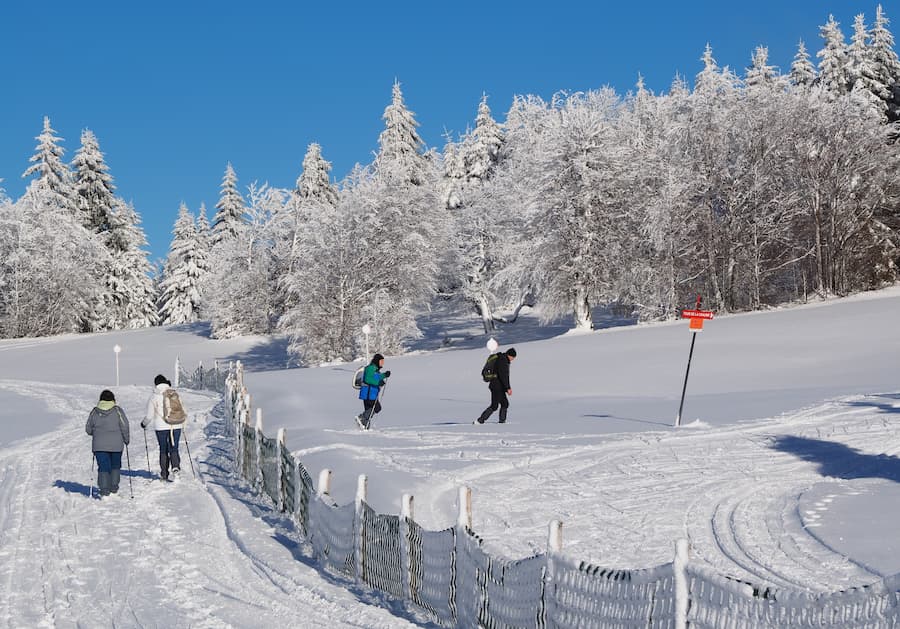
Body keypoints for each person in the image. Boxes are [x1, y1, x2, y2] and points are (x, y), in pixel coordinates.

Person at [85, 389, 130, 497]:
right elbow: (125, 426)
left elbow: (88, 429)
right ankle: (114, 488)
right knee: (115, 465)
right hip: (116, 445)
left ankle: (104, 490)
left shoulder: (94, 412)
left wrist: (96, 434)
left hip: (99, 446)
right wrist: (126, 439)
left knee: (103, 467)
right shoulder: (118, 411)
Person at [141, 374, 182, 481]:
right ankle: (176, 468)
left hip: (161, 427)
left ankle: (164, 474)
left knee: (163, 450)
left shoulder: (154, 396)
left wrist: (144, 424)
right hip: (176, 425)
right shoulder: (174, 393)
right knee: (174, 448)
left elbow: (149, 415)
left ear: (156, 384)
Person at [475, 347, 517, 424]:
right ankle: (480, 420)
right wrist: (508, 388)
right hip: (496, 386)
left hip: (497, 386)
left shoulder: (501, 358)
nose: (512, 359)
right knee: (494, 406)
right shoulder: (503, 361)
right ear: (510, 355)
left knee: (505, 404)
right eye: (513, 358)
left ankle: (502, 421)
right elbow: (503, 375)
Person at [356, 353, 391, 429]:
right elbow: (367, 379)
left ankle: (365, 426)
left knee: (369, 410)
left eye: (383, 361)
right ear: (377, 361)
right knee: (377, 408)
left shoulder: (375, 369)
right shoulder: (371, 368)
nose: (382, 363)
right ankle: (361, 417)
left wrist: (385, 375)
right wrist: (378, 382)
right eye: (381, 361)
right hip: (368, 393)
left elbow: (377, 377)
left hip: (371, 393)